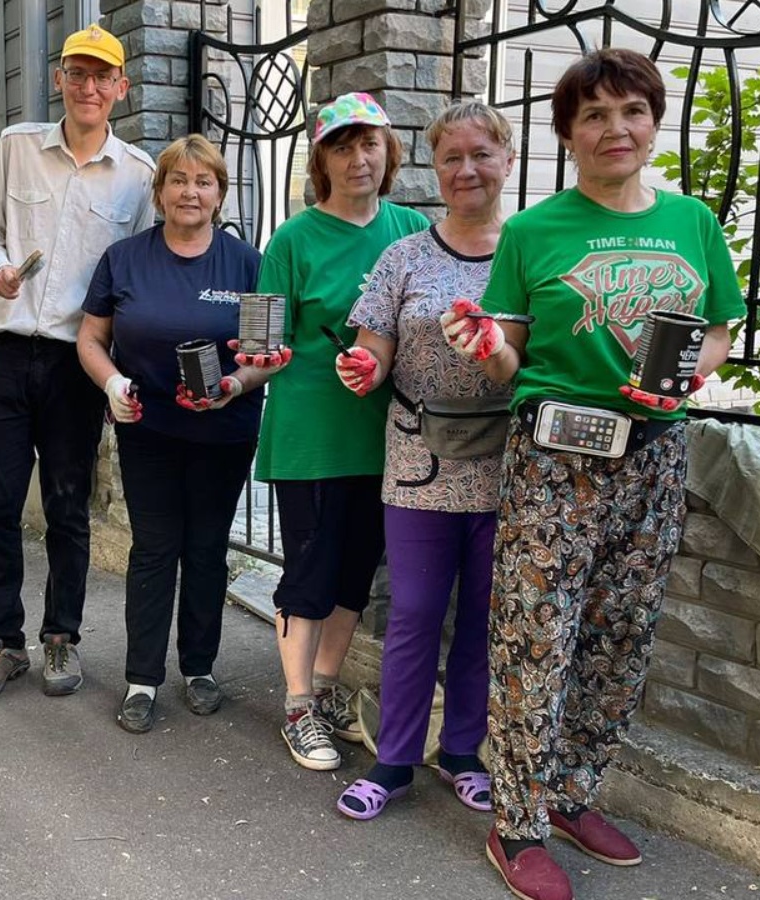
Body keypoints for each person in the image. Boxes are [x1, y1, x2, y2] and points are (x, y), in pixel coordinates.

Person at [441, 49, 745, 900]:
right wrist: (486, 345)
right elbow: (509, 356)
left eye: (632, 111)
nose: (617, 129)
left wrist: (687, 375)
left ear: (654, 122)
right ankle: (517, 822)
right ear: (568, 134)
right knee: (535, 638)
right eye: (595, 115)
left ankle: (572, 794)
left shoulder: (693, 222)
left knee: (621, 634)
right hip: (554, 458)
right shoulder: (534, 232)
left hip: (655, 453)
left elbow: (721, 328)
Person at [0, 24, 156, 704]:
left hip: (78, 360)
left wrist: (124, 369)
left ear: (121, 88)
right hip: (5, 350)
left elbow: (139, 273)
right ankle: (1, 643)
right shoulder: (17, 147)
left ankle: (61, 636)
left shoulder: (138, 175)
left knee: (69, 508)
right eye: (77, 73)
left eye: (102, 77)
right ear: (58, 80)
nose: (88, 87)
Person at [329, 102, 515, 820]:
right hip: (418, 459)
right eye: (451, 158)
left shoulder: (530, 251)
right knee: (412, 613)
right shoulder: (403, 256)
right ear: (434, 169)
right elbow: (373, 346)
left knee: (483, 616)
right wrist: (363, 368)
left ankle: (463, 751)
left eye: (481, 154)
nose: (466, 170)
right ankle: (395, 759)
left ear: (507, 160)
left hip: (507, 463)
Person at [75, 134, 286, 733]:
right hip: (149, 429)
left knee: (207, 549)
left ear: (220, 194)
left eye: (203, 182)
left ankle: (199, 667)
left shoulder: (247, 263)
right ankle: (142, 677)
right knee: (154, 549)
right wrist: (113, 384)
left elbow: (264, 354)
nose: (190, 192)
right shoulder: (124, 259)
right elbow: (91, 339)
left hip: (225, 430)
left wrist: (235, 385)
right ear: (160, 191)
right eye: (178, 180)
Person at [255, 92, 429, 771]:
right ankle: (297, 705)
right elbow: (262, 338)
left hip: (387, 434)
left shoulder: (412, 229)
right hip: (312, 434)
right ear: (321, 161)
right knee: (311, 570)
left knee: (357, 570)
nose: (359, 158)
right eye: (343, 146)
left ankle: (324, 688)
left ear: (389, 152)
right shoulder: (293, 239)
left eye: (370, 144)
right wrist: (247, 368)